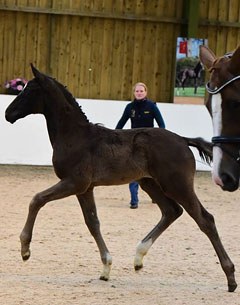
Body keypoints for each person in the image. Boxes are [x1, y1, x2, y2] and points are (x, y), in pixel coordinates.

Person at [116, 82, 165, 209]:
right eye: (137, 91)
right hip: (134, 144)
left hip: (150, 144)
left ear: (145, 92)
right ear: (134, 93)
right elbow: (120, 124)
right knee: (133, 171)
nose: (139, 93)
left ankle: (156, 196)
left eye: (141, 91)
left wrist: (160, 141)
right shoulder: (129, 107)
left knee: (154, 172)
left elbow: (162, 125)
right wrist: (115, 137)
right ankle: (134, 200)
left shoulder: (152, 106)